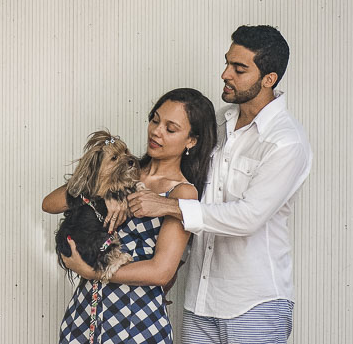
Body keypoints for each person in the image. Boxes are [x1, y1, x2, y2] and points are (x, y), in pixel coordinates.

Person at [129, 25, 312, 344]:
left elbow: (249, 217)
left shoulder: (285, 141)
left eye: (239, 69)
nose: (225, 74)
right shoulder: (217, 125)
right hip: (199, 302)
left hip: (255, 305)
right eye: (227, 63)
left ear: (268, 79)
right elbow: (194, 189)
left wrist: (168, 206)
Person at [43, 88, 218, 344]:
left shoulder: (181, 193)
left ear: (192, 140)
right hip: (86, 313)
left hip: (137, 320)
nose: (156, 131)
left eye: (170, 129)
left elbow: (161, 272)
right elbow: (50, 204)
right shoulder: (122, 168)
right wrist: (101, 194)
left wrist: (92, 273)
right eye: (155, 119)